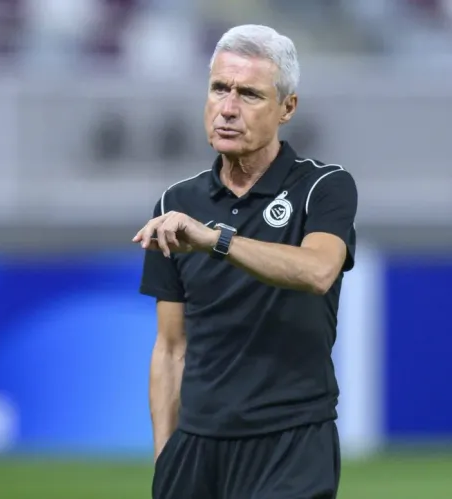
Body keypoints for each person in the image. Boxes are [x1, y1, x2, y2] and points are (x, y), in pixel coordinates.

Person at [133, 24, 358, 499]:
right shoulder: (175, 204)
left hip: (291, 442)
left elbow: (318, 271)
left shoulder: (322, 187)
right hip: (196, 448)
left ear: (287, 107)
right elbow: (171, 348)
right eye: (220, 88)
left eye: (250, 94)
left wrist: (215, 239)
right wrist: (166, 462)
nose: (228, 108)